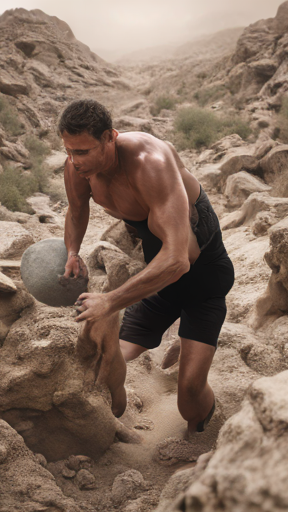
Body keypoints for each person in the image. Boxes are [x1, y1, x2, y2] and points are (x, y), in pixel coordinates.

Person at [58, 99, 234, 434]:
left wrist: (110, 301)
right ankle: (173, 331)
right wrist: (72, 251)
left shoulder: (148, 161)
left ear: (111, 137)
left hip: (203, 276)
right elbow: (76, 208)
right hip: (161, 271)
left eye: (83, 151)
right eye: (69, 151)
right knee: (106, 357)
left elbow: (179, 259)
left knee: (189, 401)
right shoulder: (79, 169)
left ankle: (193, 351)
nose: (75, 161)